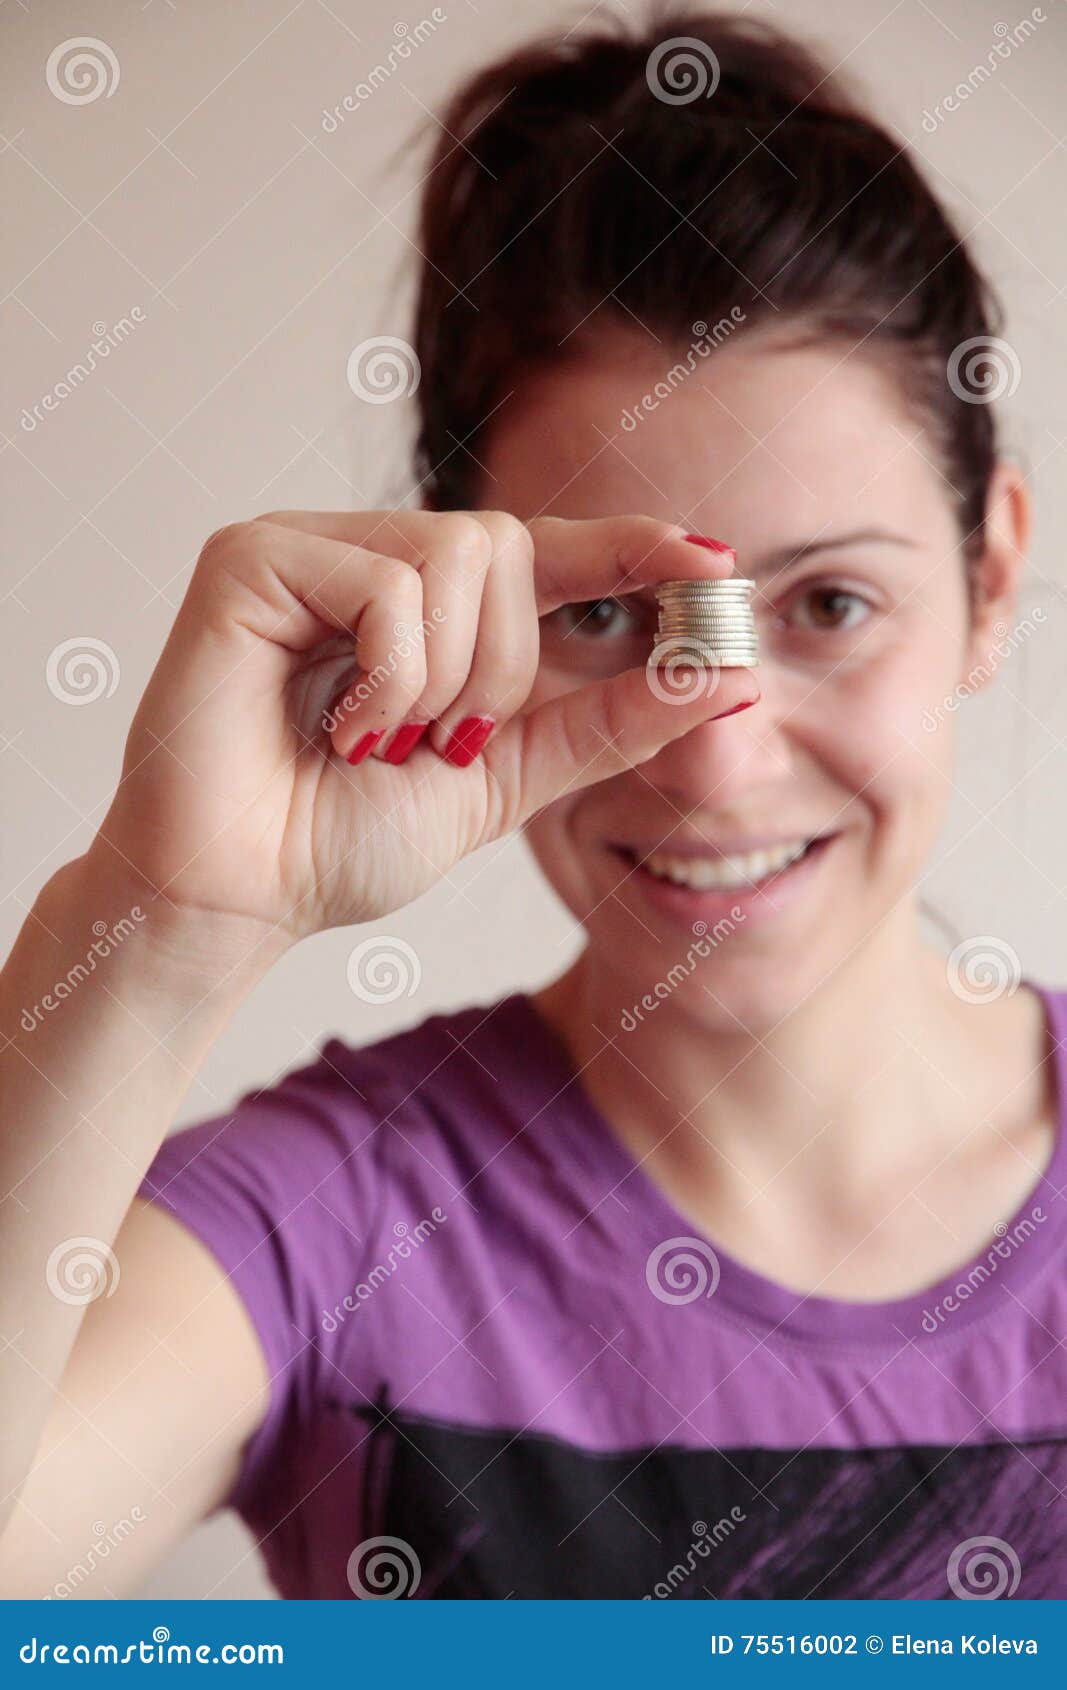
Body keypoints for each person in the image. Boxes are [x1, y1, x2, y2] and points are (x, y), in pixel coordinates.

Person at [2, 9, 1062, 1602]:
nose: (713, 759)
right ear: (455, 608)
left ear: (989, 577)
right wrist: (154, 928)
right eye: (602, 616)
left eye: (832, 604)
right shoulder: (338, 1220)